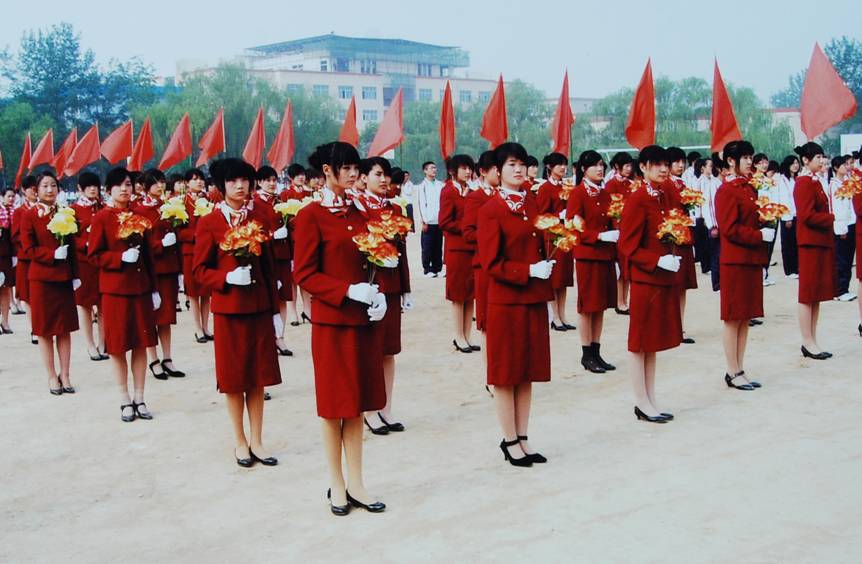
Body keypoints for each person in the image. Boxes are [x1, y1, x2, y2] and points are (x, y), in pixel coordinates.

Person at [293, 141, 387, 516]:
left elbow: (374, 257)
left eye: (354, 167)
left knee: (358, 403)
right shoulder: (311, 215)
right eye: (344, 167)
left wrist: (378, 293)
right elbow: (304, 273)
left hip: (362, 320)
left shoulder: (361, 211)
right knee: (335, 406)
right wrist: (346, 290)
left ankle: (358, 482)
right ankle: (336, 483)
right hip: (332, 322)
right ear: (327, 171)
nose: (352, 173)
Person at [193, 158, 282, 467]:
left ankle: (257, 439)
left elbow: (269, 267)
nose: (240, 186)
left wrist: (275, 309)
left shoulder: (260, 215)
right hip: (229, 311)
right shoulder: (210, 222)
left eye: (245, 180)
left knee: (258, 376)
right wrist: (226, 279)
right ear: (222, 186)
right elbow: (199, 271)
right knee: (233, 379)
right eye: (233, 181)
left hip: (258, 306)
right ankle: (240, 440)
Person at [478, 142, 553, 467]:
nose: (518, 169)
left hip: (533, 298)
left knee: (527, 371)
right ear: (498, 171)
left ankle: (523, 437)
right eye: (511, 164)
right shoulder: (490, 210)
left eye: (522, 164)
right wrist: (528, 270)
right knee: (506, 374)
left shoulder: (533, 204)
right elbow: (491, 262)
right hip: (507, 301)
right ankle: (509, 440)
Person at [88, 167, 159, 422]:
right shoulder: (102, 218)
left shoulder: (140, 216)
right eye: (118, 185)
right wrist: (120, 258)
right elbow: (94, 255)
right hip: (116, 291)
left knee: (141, 343)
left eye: (128, 184)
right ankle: (124, 399)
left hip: (140, 288)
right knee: (118, 347)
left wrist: (154, 289)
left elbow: (149, 257)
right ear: (109, 190)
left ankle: (140, 397)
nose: (125, 189)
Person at [618, 145, 682, 423]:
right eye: (656, 164)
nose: (663, 169)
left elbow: (677, 227)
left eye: (665, 164)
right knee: (640, 341)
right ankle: (641, 401)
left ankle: (651, 397)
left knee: (653, 342)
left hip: (664, 276)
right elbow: (627, 245)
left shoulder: (667, 194)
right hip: (646, 279)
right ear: (643, 167)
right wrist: (656, 261)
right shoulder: (637, 198)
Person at [354, 156, 412, 434]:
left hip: (390, 287)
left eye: (386, 175)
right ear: (364, 177)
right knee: (371, 352)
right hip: (370, 289)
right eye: (378, 174)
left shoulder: (393, 208)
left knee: (389, 351)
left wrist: (405, 288)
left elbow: (401, 253)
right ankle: (369, 409)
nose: (384, 179)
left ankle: (386, 408)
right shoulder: (357, 208)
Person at [715, 140, 771, 391]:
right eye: (745, 158)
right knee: (732, 317)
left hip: (750, 260)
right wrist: (759, 236)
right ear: (730, 161)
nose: (750, 162)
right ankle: (731, 369)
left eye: (750, 157)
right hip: (735, 260)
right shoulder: (727, 190)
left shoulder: (749, 187)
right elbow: (730, 229)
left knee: (745, 315)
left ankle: (740, 367)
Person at [21, 171, 81, 394]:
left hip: (63, 278)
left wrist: (75, 274)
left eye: (53, 185)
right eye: (45, 186)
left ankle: (65, 375)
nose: (49, 190)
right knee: (45, 330)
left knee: (64, 329)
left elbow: (72, 248)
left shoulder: (65, 212)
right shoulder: (30, 215)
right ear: (36, 189)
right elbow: (27, 248)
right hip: (42, 279)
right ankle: (50, 376)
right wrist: (50, 255)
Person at [566, 150, 618, 374]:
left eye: (601, 165)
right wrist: (597, 236)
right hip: (588, 256)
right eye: (594, 165)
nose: (600, 169)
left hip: (606, 255)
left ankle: (596, 350)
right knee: (588, 307)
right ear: (583, 170)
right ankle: (586, 353)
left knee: (601, 306)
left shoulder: (605, 194)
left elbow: (613, 220)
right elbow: (573, 227)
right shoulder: (578, 194)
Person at [133, 169, 186, 380]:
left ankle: (167, 356)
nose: (159, 186)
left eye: (162, 181)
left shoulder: (171, 206)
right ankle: (153, 358)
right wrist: (159, 245)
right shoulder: (139, 210)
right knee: (150, 316)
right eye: (154, 183)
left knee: (166, 315)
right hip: (151, 268)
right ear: (145, 187)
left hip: (169, 268)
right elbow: (139, 241)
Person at [793, 142, 835, 359]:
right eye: (817, 157)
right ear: (805, 160)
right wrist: (831, 218)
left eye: (821, 156)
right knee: (808, 294)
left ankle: (812, 339)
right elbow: (806, 215)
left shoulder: (815, 181)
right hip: (810, 243)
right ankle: (807, 341)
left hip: (819, 242)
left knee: (816, 294)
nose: (821, 160)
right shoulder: (803, 183)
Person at [462, 150, 499, 396]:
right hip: (485, 266)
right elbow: (467, 231)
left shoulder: (507, 196)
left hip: (503, 266)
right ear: (483, 172)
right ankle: (490, 374)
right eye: (495, 168)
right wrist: (493, 240)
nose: (500, 172)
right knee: (486, 322)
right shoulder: (476, 198)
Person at [254, 165, 294, 355]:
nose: (271, 183)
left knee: (283, 297)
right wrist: (271, 235)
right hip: (266, 256)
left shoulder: (280, 201)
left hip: (283, 255)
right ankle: (269, 337)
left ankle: (280, 337)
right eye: (267, 180)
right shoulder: (254, 203)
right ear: (259, 182)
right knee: (269, 297)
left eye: (274, 180)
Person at [439, 154, 478, 353]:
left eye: (470, 168)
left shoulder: (471, 192)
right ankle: (458, 336)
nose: (468, 171)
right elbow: (444, 222)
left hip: (472, 248)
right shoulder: (448, 191)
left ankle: (468, 335)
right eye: (464, 168)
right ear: (453, 171)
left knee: (471, 294)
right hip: (456, 249)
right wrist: (466, 227)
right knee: (458, 295)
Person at [70, 172, 108, 361]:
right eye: (88, 186)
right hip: (84, 263)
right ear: (80, 189)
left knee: (103, 304)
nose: (93, 189)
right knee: (85, 305)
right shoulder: (73, 210)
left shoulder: (103, 207)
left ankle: (103, 342)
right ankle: (90, 344)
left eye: (95, 185)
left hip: (101, 262)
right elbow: (70, 237)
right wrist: (86, 243)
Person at [537, 152, 575, 330]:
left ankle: (563, 314)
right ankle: (555, 316)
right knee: (555, 278)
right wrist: (557, 216)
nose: (563, 168)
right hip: (552, 237)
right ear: (549, 167)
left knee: (564, 278)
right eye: (559, 164)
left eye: (564, 164)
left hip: (566, 235)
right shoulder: (545, 188)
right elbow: (542, 215)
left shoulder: (566, 187)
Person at [664, 147, 697, 344]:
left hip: (684, 237)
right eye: (675, 162)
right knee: (673, 285)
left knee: (682, 286)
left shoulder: (682, 184)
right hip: (670, 239)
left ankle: (680, 326)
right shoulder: (665, 185)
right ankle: (670, 326)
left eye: (681, 161)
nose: (680, 165)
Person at [178, 168, 213, 343]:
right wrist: (194, 235)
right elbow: (177, 230)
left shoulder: (209, 200)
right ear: (186, 183)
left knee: (206, 291)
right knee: (193, 291)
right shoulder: (180, 203)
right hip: (190, 251)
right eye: (194, 179)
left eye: (200, 179)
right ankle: (197, 328)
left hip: (206, 250)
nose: (199, 182)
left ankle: (206, 326)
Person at [605, 152, 635, 314]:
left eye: (631, 165)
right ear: (617, 166)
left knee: (627, 268)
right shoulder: (611, 185)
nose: (629, 169)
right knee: (620, 268)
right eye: (626, 165)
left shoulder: (631, 184)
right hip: (618, 230)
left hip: (629, 229)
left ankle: (626, 300)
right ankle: (619, 301)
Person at [12, 175, 38, 343]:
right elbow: (15, 236)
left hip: (43, 258)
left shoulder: (49, 210)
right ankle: (34, 328)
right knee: (28, 296)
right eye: (32, 190)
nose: (35, 193)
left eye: (37, 189)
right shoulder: (19, 211)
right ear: (24, 191)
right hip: (26, 258)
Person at [828, 155, 857, 302]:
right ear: (835, 168)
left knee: (848, 258)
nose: (847, 167)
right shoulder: (834, 185)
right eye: (843, 165)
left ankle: (844, 288)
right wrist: (840, 228)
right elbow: (835, 208)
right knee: (842, 259)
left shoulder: (847, 183)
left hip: (851, 223)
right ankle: (839, 290)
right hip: (842, 226)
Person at [415, 161, 444, 277]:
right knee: (427, 247)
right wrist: (424, 221)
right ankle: (427, 269)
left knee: (438, 246)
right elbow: (421, 204)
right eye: (431, 168)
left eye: (435, 168)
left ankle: (438, 268)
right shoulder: (422, 186)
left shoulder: (440, 185)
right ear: (425, 170)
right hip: (429, 221)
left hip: (439, 220)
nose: (434, 170)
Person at [776, 156, 800, 278]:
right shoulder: (782, 179)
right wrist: (787, 217)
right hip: (788, 216)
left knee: (796, 242)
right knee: (788, 243)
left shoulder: (795, 179)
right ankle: (789, 270)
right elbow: (784, 199)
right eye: (793, 163)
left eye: (797, 163)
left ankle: (796, 268)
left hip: (797, 215)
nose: (796, 165)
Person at [0, 188, 15, 333]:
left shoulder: (13, 213)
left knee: (5, 288)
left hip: (6, 255)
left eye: (13, 196)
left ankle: (5, 321)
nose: (11, 199)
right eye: (8, 196)